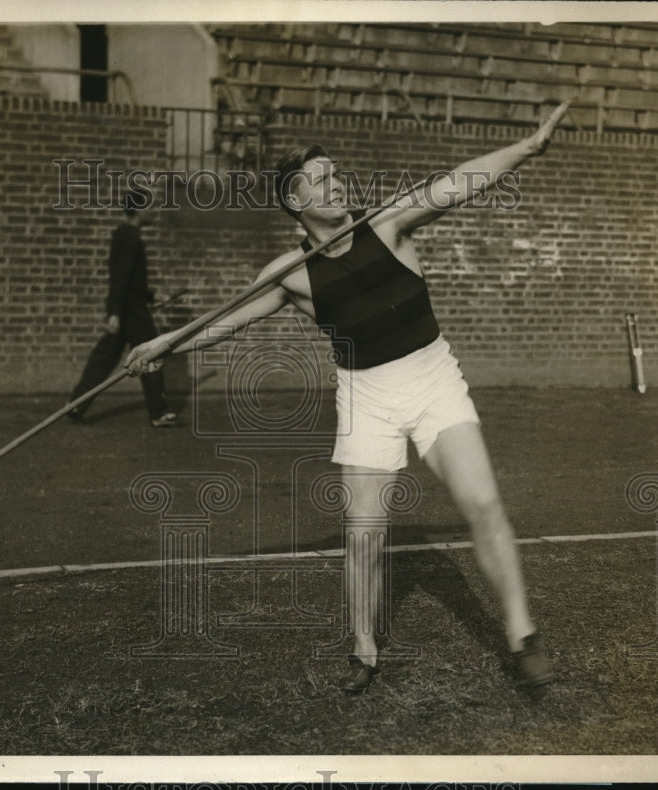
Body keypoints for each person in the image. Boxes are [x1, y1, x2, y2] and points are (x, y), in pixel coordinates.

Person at [125, 102, 571, 692]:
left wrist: (525, 149)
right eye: (321, 179)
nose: (337, 183)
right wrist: (162, 344)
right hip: (368, 396)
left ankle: (522, 636)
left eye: (337, 173)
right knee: (364, 534)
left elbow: (458, 182)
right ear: (295, 202)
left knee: (483, 504)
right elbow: (226, 321)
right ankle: (364, 647)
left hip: (433, 378)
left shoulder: (385, 224)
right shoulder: (290, 272)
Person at [68, 193, 177, 427]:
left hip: (129, 306)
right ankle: (158, 413)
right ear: (139, 210)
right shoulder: (129, 237)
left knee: (105, 357)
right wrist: (114, 313)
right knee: (151, 353)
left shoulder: (125, 235)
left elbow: (130, 280)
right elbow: (120, 279)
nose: (155, 211)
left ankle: (77, 403)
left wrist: (151, 296)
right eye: (151, 207)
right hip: (132, 311)